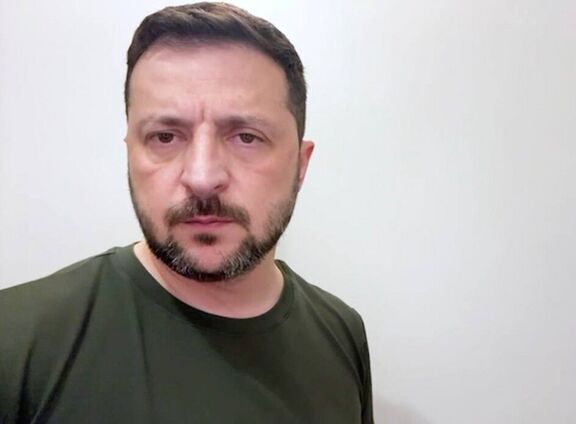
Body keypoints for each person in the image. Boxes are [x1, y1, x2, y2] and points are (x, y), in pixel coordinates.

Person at [0, 3, 373, 423]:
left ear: (300, 165)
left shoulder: (342, 333)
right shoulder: (15, 342)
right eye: (165, 136)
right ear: (130, 155)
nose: (202, 177)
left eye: (247, 137)